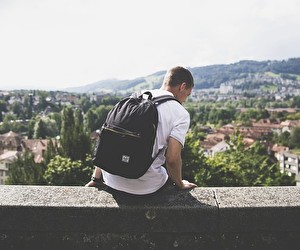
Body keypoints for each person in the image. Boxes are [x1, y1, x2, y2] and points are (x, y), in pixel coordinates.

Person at [85, 66, 197, 194]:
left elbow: (110, 137)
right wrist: (180, 184)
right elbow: (172, 159)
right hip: (144, 187)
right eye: (187, 95)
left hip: (110, 179)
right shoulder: (180, 113)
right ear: (182, 86)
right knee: (165, 177)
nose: (185, 100)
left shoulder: (135, 97)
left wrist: (96, 178)